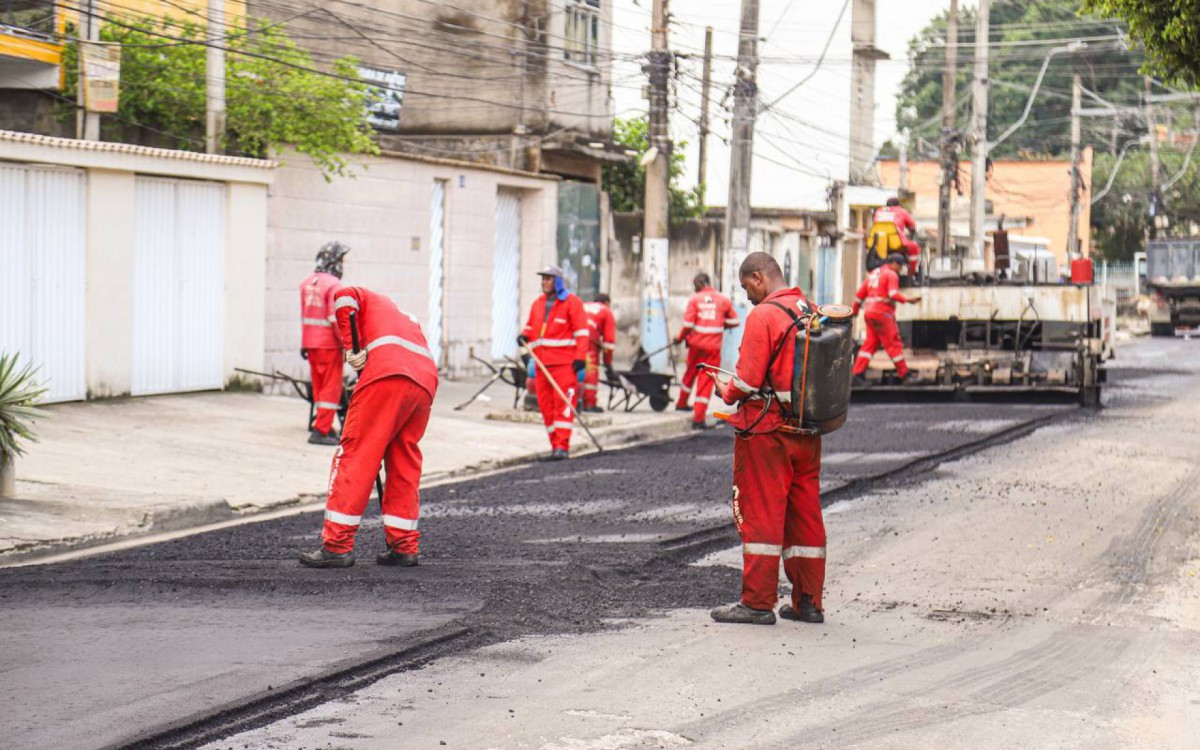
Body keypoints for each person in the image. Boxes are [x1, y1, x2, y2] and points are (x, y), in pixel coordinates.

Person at [709, 252, 826, 625]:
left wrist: (724, 391)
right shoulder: (810, 308)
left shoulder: (764, 316)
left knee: (762, 514)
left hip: (768, 433)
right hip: (807, 432)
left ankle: (758, 603)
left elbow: (746, 382)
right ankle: (808, 602)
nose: (747, 297)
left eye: (747, 287)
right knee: (804, 515)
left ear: (758, 277)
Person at [299, 286, 439, 569]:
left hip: (387, 374)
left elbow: (344, 295)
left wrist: (351, 348)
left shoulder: (363, 296)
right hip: (424, 382)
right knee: (403, 459)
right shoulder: (401, 316)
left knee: (356, 455)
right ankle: (404, 546)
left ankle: (336, 545)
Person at [518, 265, 589, 460]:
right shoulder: (537, 304)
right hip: (541, 365)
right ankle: (554, 445)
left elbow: (582, 333)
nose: (544, 282)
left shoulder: (572, 303)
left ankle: (562, 447)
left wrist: (580, 357)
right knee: (546, 407)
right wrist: (523, 336)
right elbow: (531, 328)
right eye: (543, 279)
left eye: (548, 278)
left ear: (557, 281)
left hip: (564, 366)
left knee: (563, 406)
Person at [299, 242, 349, 445]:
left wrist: (304, 343)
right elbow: (335, 318)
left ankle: (323, 424)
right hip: (329, 345)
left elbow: (305, 315)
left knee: (318, 387)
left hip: (311, 343)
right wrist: (347, 344)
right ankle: (321, 430)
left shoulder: (307, 282)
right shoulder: (334, 285)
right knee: (331, 388)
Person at [674, 273, 739, 429]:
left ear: (698, 285)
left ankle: (681, 403)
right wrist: (721, 323)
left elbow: (688, 324)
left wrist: (679, 338)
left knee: (690, 372)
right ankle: (698, 418)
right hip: (712, 347)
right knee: (706, 379)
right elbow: (735, 321)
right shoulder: (723, 300)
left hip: (695, 344)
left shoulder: (694, 300)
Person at [851, 252, 923, 386]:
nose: (901, 269)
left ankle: (856, 375)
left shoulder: (873, 274)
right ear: (894, 263)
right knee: (893, 344)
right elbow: (893, 294)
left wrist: (854, 311)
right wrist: (908, 300)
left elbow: (859, 294)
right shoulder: (891, 274)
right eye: (900, 266)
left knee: (870, 344)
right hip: (883, 314)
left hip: (870, 313)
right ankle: (905, 376)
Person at [581, 293, 617, 413]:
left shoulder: (584, 305)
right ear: (606, 303)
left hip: (573, 338)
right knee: (590, 371)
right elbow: (609, 342)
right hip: (589, 341)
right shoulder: (606, 311)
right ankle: (589, 404)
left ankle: (576, 401)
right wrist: (608, 363)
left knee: (576, 371)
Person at [866, 197, 920, 276]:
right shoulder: (901, 211)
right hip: (896, 243)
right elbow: (912, 226)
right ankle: (911, 273)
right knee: (914, 247)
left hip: (878, 243)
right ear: (898, 205)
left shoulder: (879, 211)